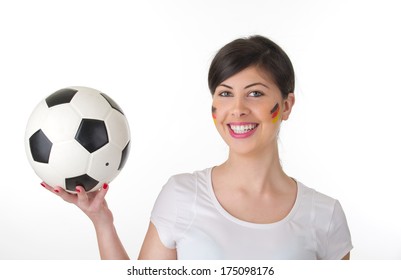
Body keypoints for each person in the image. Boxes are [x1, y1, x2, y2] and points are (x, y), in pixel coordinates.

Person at [42, 35, 353, 260]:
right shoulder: (181, 195)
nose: (238, 108)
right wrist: (101, 222)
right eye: (225, 93)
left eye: (256, 93)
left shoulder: (324, 216)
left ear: (286, 105)